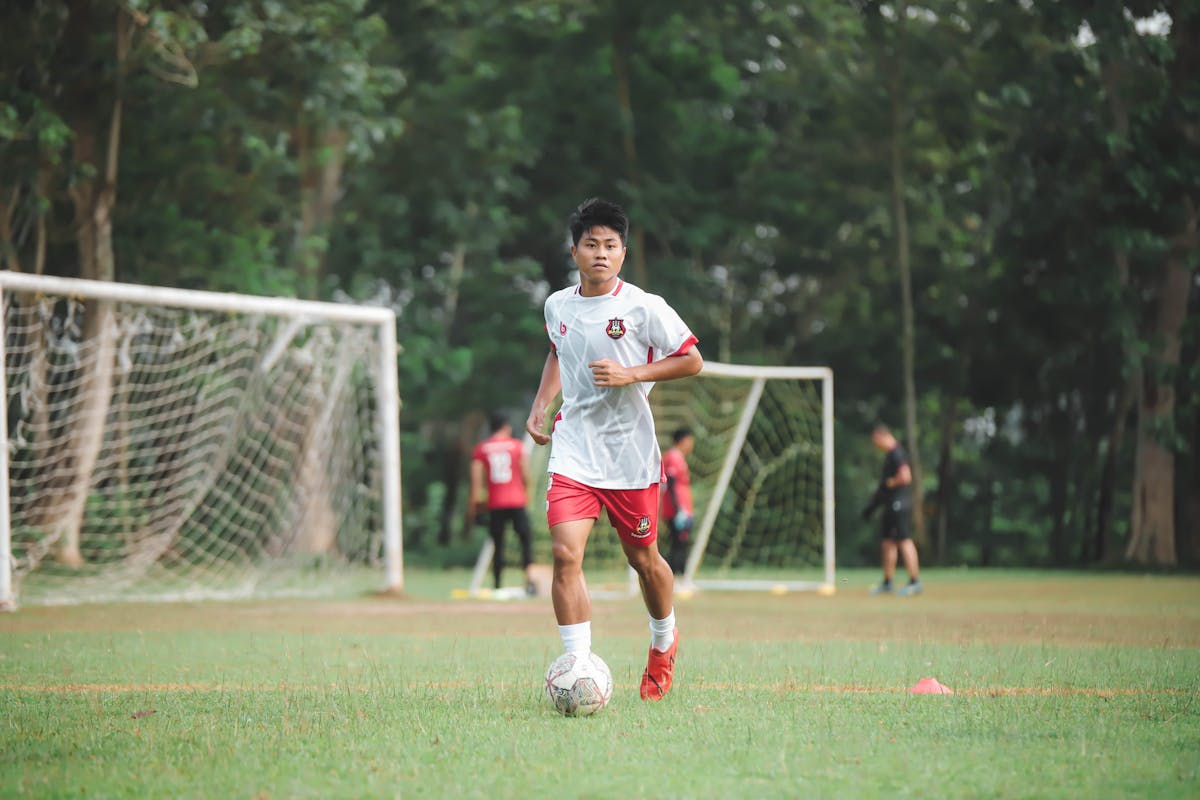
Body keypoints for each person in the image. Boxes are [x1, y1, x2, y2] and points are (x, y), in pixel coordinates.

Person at [525, 197, 702, 702]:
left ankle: (663, 642)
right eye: (590, 245)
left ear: (623, 253)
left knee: (644, 560)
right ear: (575, 251)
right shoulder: (556, 304)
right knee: (564, 555)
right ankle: (577, 666)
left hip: (629, 457)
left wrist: (633, 374)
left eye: (610, 245)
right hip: (574, 449)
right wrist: (542, 403)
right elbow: (557, 350)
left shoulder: (645, 307)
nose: (600, 254)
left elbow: (691, 360)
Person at [470, 412, 535, 593]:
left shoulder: (482, 449)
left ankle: (497, 584)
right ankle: (529, 581)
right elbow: (525, 473)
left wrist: (476, 504)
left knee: (498, 544)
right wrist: (527, 493)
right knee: (525, 542)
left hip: (495, 503)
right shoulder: (516, 446)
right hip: (517, 501)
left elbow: (476, 481)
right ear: (505, 426)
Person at [861, 423, 922, 596]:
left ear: (882, 436)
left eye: (876, 441)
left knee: (904, 540)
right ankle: (888, 582)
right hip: (890, 505)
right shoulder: (890, 455)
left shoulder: (897, 453)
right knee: (888, 542)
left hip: (900, 504)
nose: (876, 445)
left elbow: (905, 476)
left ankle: (915, 581)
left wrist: (890, 483)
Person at [660, 427, 696, 575]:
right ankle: (674, 579)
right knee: (678, 545)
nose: (692, 445)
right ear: (683, 440)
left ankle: (680, 579)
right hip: (676, 510)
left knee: (682, 544)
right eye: (690, 441)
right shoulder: (672, 457)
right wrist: (678, 509)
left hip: (683, 509)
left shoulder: (679, 457)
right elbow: (671, 485)